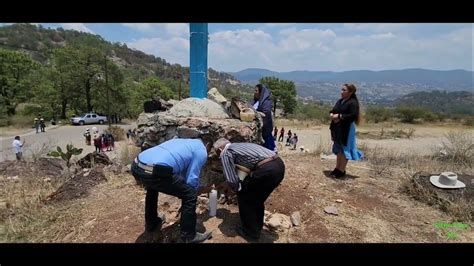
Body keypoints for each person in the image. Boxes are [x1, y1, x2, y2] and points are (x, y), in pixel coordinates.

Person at [131, 138, 213, 243]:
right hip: (156, 171)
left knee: (152, 187)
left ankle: (152, 224)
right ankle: (189, 236)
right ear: (207, 146)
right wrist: (197, 190)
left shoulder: (182, 142)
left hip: (137, 165)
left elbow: (178, 172)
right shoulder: (202, 150)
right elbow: (192, 180)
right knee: (190, 194)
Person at [213, 138, 285, 241]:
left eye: (217, 153)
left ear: (220, 149)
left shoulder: (225, 152)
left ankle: (250, 233)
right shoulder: (238, 146)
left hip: (267, 169)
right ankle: (256, 228)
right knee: (257, 200)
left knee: (245, 197)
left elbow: (231, 179)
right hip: (278, 165)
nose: (218, 157)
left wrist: (236, 189)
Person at [329, 83, 364, 178]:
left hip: (347, 130)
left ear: (351, 92)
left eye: (344, 90)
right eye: (342, 90)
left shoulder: (353, 103)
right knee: (339, 149)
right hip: (338, 129)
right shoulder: (340, 101)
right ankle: (337, 168)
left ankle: (341, 170)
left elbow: (352, 116)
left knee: (345, 149)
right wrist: (332, 114)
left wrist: (339, 116)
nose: (341, 92)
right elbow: (334, 110)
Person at [252, 84, 276, 152]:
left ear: (261, 92)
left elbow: (266, 115)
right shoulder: (255, 102)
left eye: (256, 90)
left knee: (269, 150)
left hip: (265, 131)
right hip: (256, 129)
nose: (254, 92)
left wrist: (256, 114)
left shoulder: (266, 103)